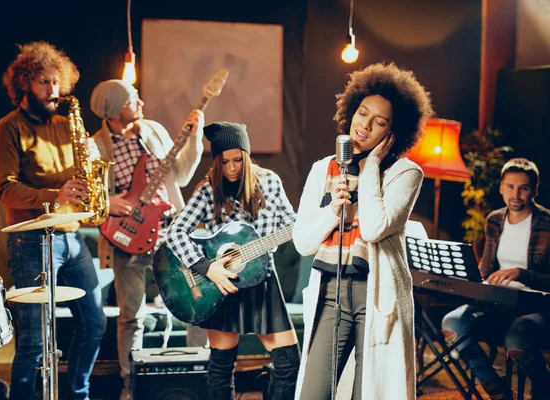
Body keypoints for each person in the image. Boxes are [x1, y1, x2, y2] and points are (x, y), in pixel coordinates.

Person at [293, 62, 434, 400]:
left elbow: (373, 228)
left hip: (378, 293)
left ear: (394, 131)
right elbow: (302, 242)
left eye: (380, 121)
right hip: (331, 292)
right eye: (362, 112)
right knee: (314, 392)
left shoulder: (406, 173)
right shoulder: (323, 169)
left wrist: (370, 168)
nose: (365, 125)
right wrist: (332, 211)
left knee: (368, 392)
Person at [0, 41, 107, 400]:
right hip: (32, 243)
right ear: (24, 83)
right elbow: (5, 189)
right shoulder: (8, 128)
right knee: (35, 338)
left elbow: (81, 178)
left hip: (72, 237)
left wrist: (92, 156)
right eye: (44, 82)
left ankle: (78, 393)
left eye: (57, 82)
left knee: (95, 324)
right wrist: (54, 195)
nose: (53, 90)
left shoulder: (65, 124)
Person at [165, 122, 300, 400]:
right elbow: (175, 233)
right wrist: (206, 268)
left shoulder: (270, 182)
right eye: (223, 161)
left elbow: (295, 224)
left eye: (238, 159)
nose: (231, 168)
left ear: (247, 155)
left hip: (263, 280)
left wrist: (324, 220)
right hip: (222, 286)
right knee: (222, 366)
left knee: (289, 363)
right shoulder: (207, 190)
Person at [89, 79, 205, 399]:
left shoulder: (153, 130)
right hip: (126, 239)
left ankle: (200, 372)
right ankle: (131, 382)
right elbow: (87, 197)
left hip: (171, 231)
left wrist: (194, 138)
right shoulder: (94, 147)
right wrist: (107, 202)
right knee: (131, 315)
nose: (140, 102)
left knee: (196, 301)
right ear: (114, 111)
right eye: (132, 99)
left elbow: (180, 175)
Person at [441, 158, 550, 400]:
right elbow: (485, 269)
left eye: (523, 187)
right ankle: (497, 390)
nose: (516, 194)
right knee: (453, 324)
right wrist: (467, 279)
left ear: (535, 190)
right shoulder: (495, 220)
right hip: (496, 303)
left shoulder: (546, 223)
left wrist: (523, 274)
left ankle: (544, 389)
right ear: (501, 187)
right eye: (510, 186)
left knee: (517, 339)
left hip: (536, 308)